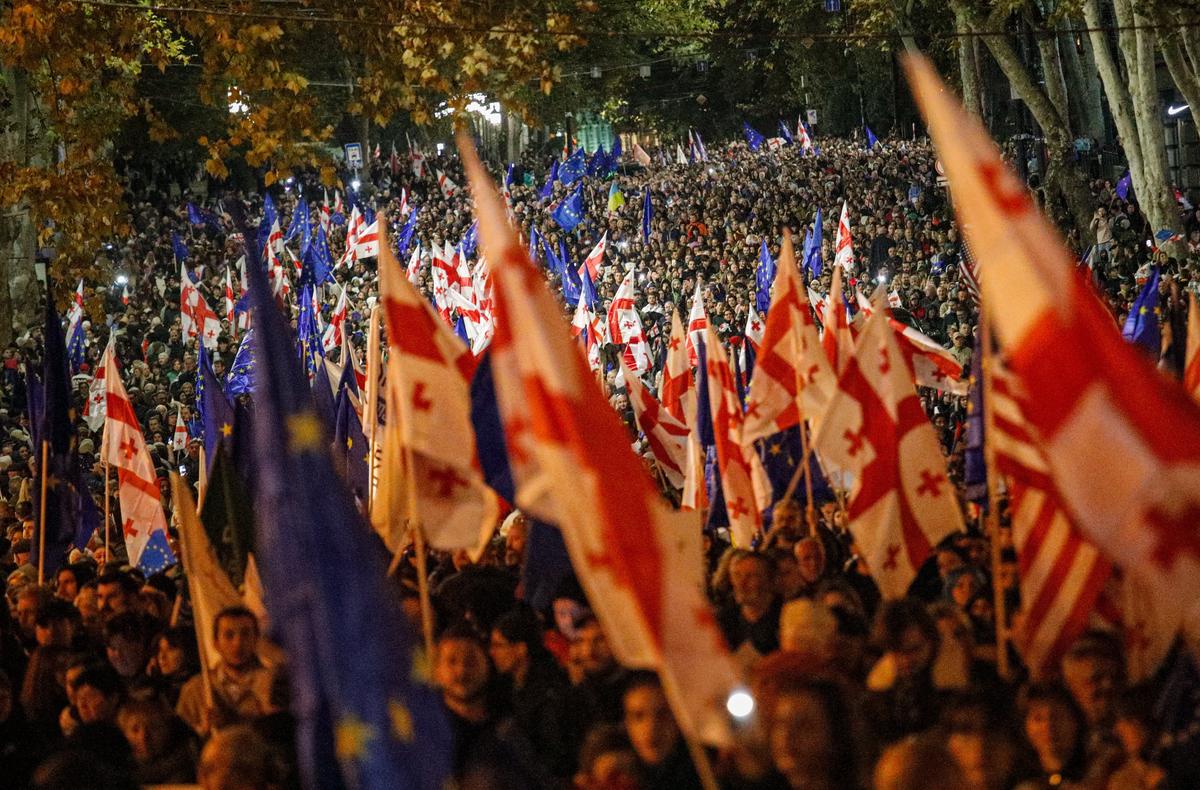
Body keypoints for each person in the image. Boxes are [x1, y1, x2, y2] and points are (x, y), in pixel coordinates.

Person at [176, 606, 275, 737]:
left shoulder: (273, 684)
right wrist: (202, 731)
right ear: (216, 643)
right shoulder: (196, 689)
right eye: (229, 635)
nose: (237, 643)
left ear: (256, 639)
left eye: (245, 634)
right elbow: (179, 741)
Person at [621, 671, 702, 790]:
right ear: (627, 724)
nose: (651, 728)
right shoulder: (619, 779)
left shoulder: (707, 772)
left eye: (663, 714)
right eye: (638, 716)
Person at [717, 550, 782, 663]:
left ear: (769, 580)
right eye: (737, 575)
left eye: (751, 576)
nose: (741, 584)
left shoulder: (786, 619)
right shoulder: (724, 620)